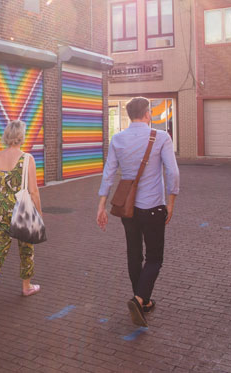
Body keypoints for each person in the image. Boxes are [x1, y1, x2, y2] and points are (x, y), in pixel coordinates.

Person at [96, 97, 180, 327]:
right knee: (154, 257)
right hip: (153, 207)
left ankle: (141, 301)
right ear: (147, 113)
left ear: (129, 114)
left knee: (134, 254)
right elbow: (172, 172)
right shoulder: (161, 137)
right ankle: (140, 298)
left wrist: (101, 204)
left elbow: (109, 173)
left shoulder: (118, 138)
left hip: (127, 209)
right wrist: (171, 201)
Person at [0, 120, 43, 313]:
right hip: (20, 208)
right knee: (26, 248)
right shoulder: (27, 159)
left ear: (7, 136)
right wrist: (39, 212)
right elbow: (33, 190)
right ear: (21, 136)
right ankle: (26, 287)